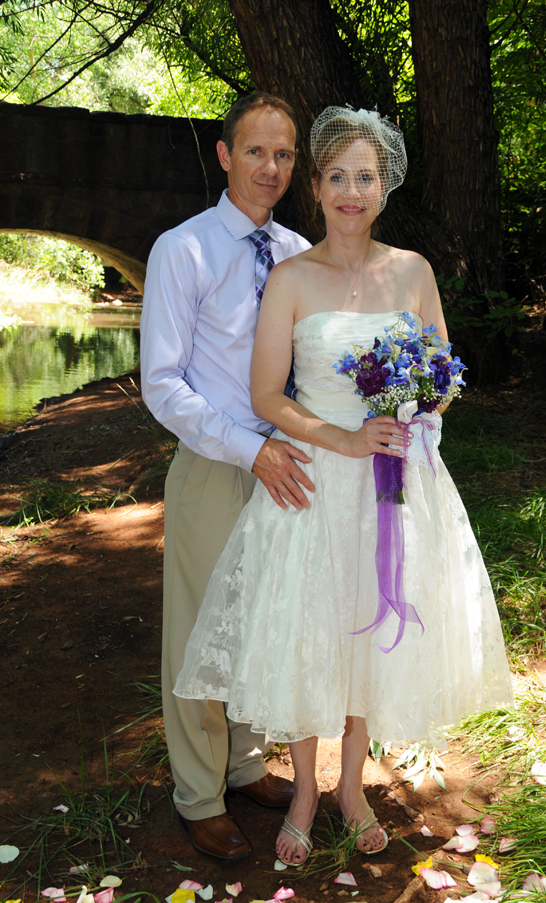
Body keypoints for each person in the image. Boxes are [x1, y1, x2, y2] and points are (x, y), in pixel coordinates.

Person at [174, 106, 514, 866]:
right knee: (309, 630)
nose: (351, 192)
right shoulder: (292, 277)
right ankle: (301, 788)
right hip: (315, 479)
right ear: (317, 188)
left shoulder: (413, 270)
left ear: (385, 186)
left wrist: (414, 407)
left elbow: (444, 376)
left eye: (366, 177)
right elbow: (267, 395)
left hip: (393, 482)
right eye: (336, 177)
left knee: (366, 636)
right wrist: (343, 438)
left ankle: (352, 785)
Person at [140, 92, 313, 862]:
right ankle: (199, 792)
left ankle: (246, 765)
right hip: (217, 465)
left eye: (283, 155)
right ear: (224, 155)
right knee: (200, 629)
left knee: (261, 623)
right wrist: (251, 448)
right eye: (255, 151)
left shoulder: (302, 249)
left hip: (291, 465)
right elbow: (162, 382)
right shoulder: (184, 248)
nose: (270, 167)